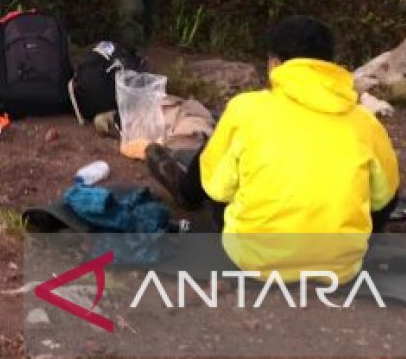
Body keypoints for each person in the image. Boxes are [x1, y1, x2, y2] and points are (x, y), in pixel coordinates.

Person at [146, 16, 399, 282]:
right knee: (379, 182)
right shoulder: (365, 122)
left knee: (219, 154)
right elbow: (385, 198)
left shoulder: (247, 109)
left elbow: (218, 189)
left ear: (276, 63)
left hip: (254, 258)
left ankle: (187, 192)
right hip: (339, 268)